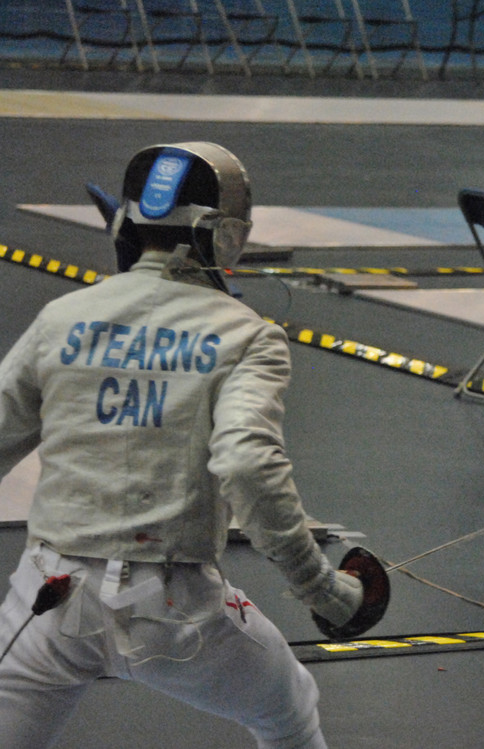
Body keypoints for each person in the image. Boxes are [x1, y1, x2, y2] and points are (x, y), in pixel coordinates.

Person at [0, 141, 389, 748]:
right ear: (227, 237)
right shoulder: (245, 335)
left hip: (48, 601)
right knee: (289, 713)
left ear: (126, 224)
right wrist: (323, 589)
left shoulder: (61, 317)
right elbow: (247, 462)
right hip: (176, 614)